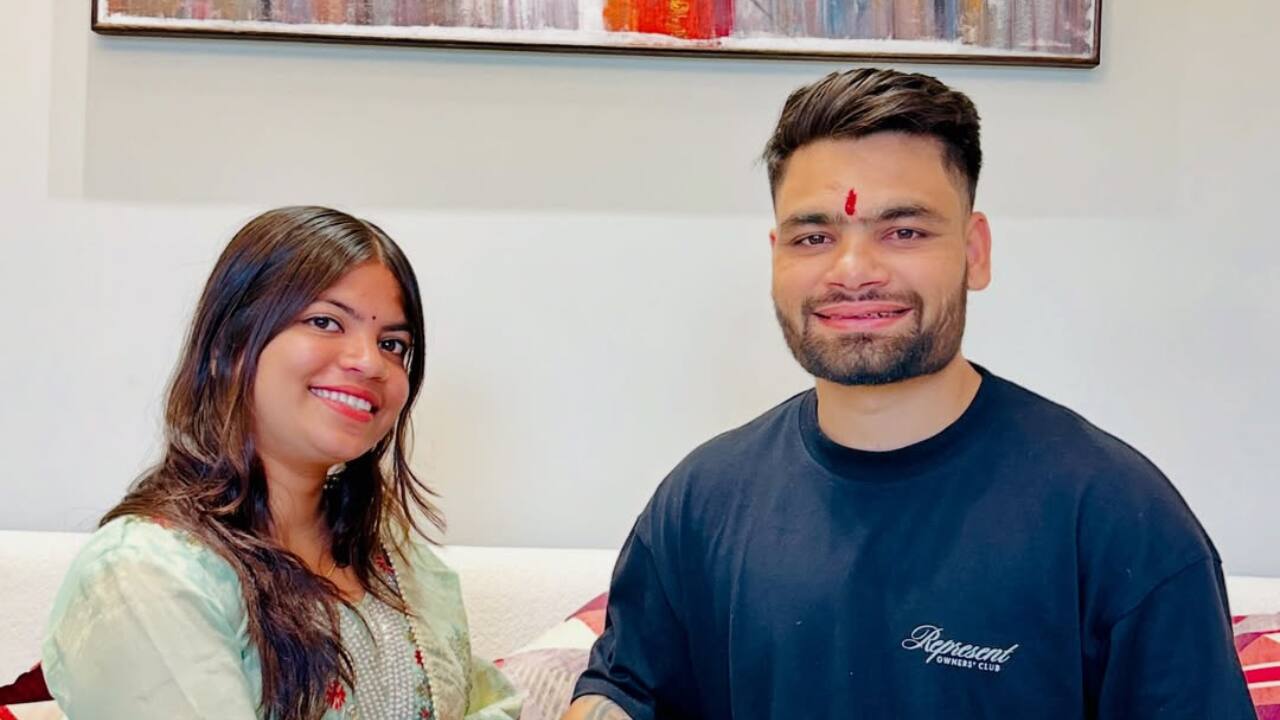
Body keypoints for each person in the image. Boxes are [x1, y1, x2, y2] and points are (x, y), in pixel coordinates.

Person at [565, 69, 1254, 719]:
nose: (854, 270)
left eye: (904, 231)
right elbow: (627, 689)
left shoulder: (1115, 517)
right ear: (776, 256)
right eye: (814, 236)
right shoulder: (701, 503)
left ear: (975, 252)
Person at [42, 206, 521, 720]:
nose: (368, 361)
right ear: (230, 346)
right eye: (324, 321)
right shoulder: (143, 573)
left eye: (392, 344)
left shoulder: (396, 562)